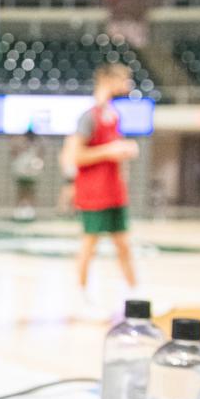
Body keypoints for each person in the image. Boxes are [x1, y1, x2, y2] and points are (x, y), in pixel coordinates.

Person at [63, 62, 140, 315]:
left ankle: (134, 295)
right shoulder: (89, 117)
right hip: (93, 192)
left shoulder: (113, 114)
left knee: (123, 245)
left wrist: (124, 150)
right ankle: (80, 296)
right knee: (89, 244)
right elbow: (75, 156)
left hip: (114, 190)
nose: (128, 83)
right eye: (124, 78)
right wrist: (109, 151)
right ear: (108, 80)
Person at [11, 129, 44, 222]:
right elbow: (14, 153)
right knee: (21, 190)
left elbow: (40, 155)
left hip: (32, 171)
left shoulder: (37, 144)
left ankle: (30, 209)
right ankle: (18, 209)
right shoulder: (20, 143)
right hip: (21, 170)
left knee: (31, 190)